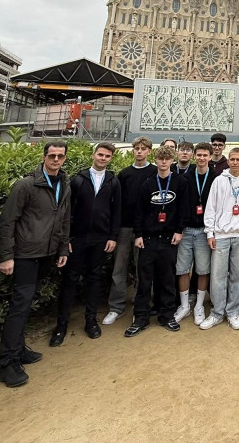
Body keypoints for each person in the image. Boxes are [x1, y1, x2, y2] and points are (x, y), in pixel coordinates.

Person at [0, 141, 71, 387]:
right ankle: (7, 363)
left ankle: (18, 349)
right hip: (25, 254)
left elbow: (63, 220)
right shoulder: (26, 185)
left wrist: (62, 248)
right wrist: (7, 256)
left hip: (46, 253)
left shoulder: (64, 184)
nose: (56, 160)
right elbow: (8, 221)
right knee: (19, 306)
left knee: (26, 303)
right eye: (52, 155)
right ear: (44, 157)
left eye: (60, 156)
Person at [51, 142, 121, 346]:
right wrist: (67, 239)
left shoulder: (113, 181)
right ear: (93, 155)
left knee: (94, 279)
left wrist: (113, 236)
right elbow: (67, 212)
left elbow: (116, 211)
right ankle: (61, 325)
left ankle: (91, 321)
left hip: (100, 239)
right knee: (70, 280)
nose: (103, 159)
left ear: (111, 159)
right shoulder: (77, 180)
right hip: (78, 239)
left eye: (107, 156)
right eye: (100, 155)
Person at [125, 145, 185, 337]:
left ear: (171, 161)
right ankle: (140, 317)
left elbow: (183, 209)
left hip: (169, 238)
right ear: (156, 160)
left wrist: (179, 230)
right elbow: (139, 212)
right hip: (148, 239)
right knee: (144, 280)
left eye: (167, 159)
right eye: (160, 159)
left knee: (167, 279)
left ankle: (166, 315)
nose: (164, 162)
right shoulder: (148, 184)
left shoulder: (180, 182)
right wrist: (139, 234)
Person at [200, 148, 239, 330]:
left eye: (238, 159)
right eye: (232, 159)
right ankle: (217, 313)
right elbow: (211, 207)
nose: (234, 162)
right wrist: (210, 232)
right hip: (221, 235)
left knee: (238, 276)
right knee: (218, 276)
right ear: (229, 162)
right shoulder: (219, 181)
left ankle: (233, 312)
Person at [105, 137, 155, 326]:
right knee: (119, 268)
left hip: (146, 229)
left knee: (143, 268)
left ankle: (141, 304)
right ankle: (115, 307)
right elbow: (116, 204)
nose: (140, 151)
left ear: (149, 151)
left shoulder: (154, 172)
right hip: (125, 228)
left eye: (143, 149)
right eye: (136, 148)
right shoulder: (124, 174)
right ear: (133, 151)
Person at [174, 141, 215, 326]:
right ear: (194, 156)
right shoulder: (185, 177)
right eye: (198, 155)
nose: (201, 158)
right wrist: (179, 229)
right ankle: (184, 306)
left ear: (210, 157)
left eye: (205, 155)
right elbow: (179, 205)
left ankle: (199, 305)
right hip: (186, 230)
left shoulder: (214, 177)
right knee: (182, 269)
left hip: (204, 230)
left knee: (203, 270)